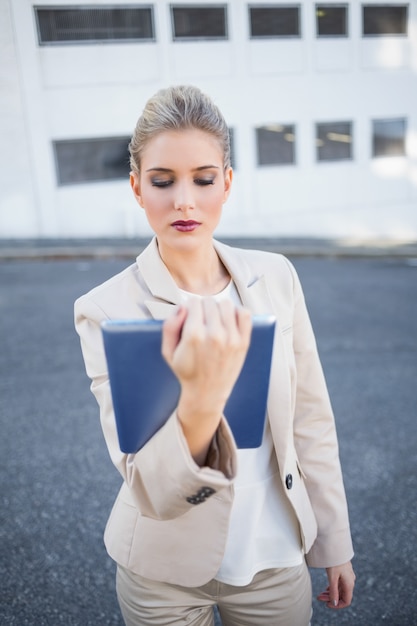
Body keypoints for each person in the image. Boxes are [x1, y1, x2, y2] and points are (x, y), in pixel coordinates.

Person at [74, 84, 355, 626]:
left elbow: (310, 417)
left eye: (203, 180)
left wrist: (334, 540)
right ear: (136, 187)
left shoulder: (275, 276)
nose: (184, 200)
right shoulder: (105, 309)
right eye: (163, 181)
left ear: (227, 184)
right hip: (163, 573)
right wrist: (201, 397)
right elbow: (148, 483)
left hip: (274, 555)